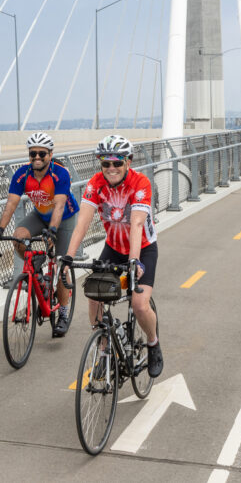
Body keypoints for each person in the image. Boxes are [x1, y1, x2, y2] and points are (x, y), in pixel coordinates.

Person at [60, 135, 163, 378]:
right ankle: (104, 351)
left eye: (117, 163)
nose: (111, 168)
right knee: (94, 295)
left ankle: (153, 342)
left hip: (143, 249)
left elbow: (137, 225)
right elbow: (82, 224)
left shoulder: (141, 183)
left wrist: (134, 261)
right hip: (114, 248)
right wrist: (67, 258)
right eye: (105, 164)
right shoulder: (96, 184)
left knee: (139, 304)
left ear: (128, 161)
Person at [0, 132, 79, 337]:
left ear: (50, 154)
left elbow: (59, 206)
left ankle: (63, 313)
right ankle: (37, 268)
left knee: (62, 265)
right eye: (33, 154)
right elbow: (11, 204)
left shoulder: (60, 173)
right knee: (18, 236)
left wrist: (53, 232)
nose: (37, 158)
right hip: (40, 215)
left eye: (42, 154)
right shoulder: (22, 174)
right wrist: (0, 230)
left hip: (63, 218)